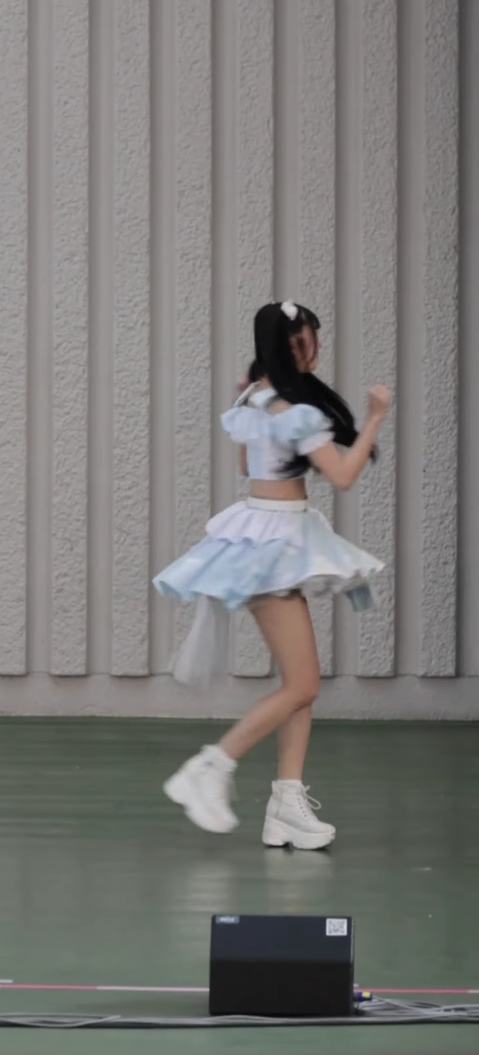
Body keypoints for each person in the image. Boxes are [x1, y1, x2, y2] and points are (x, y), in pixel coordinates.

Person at [155, 302, 390, 850]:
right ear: (293, 345)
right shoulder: (292, 411)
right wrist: (376, 416)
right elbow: (343, 475)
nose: (316, 347)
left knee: (300, 687)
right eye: (309, 338)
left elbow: (247, 467)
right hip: (274, 546)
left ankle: (286, 804)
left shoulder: (256, 399)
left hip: (267, 536)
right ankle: (210, 767)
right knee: (304, 685)